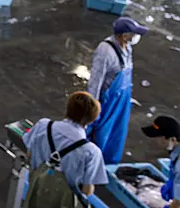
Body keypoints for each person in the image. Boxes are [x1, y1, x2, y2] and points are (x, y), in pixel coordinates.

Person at [23, 92, 109, 207]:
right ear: (91, 120)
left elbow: (29, 154)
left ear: (68, 108)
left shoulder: (43, 126)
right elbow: (87, 190)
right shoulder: (91, 152)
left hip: (37, 191)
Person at [87, 16, 149, 163]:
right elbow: (95, 81)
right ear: (124, 35)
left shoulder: (128, 48)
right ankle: (92, 167)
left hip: (121, 100)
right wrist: (92, 107)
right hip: (107, 102)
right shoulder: (105, 50)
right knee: (101, 134)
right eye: (134, 34)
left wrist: (127, 98)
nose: (136, 37)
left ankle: (108, 165)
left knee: (117, 134)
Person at [143, 115, 180, 208]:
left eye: (158, 137)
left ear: (172, 140)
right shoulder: (176, 152)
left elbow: (178, 203)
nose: (155, 141)